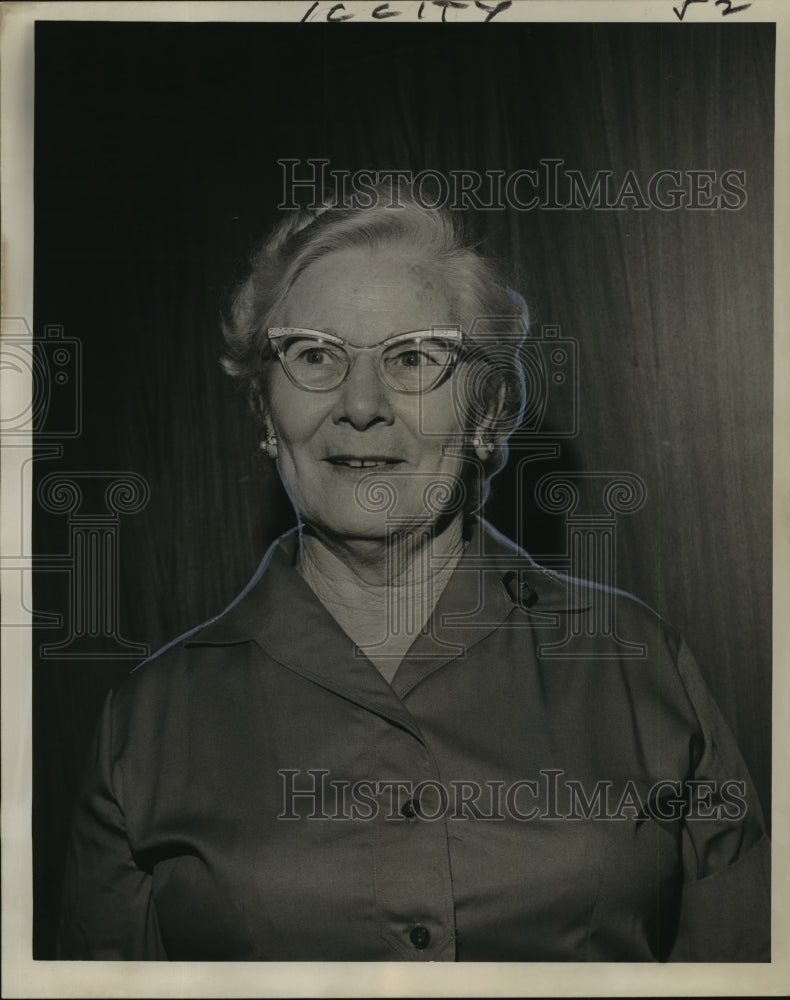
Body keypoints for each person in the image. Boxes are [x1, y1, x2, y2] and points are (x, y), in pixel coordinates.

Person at [57, 185, 770, 962]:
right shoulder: (150, 721)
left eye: (415, 357)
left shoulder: (638, 662)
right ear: (266, 413)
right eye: (315, 355)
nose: (361, 404)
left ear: (489, 413)